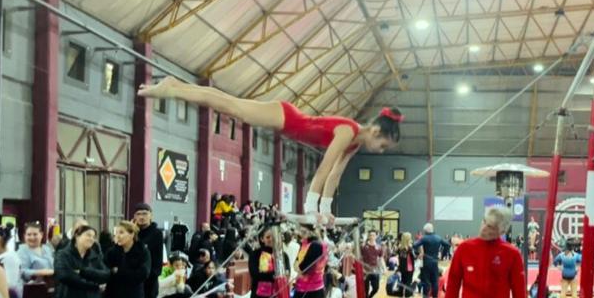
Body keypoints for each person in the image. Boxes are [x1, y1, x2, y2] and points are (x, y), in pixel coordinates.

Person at [138, 77, 403, 223]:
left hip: (289, 123)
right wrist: (311, 207)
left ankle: (174, 86)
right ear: (376, 132)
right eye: (382, 146)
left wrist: (326, 209)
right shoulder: (347, 132)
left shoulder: (354, 142)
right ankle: (173, 88)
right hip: (286, 117)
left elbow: (335, 176)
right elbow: (324, 167)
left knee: (230, 105)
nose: (379, 151)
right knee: (230, 105)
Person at [414, 223, 447, 298]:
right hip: (435, 261)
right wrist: (442, 256)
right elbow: (447, 245)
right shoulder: (438, 238)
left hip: (426, 262)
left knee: (425, 282)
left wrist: (418, 254)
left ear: (425, 231)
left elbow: (415, 245)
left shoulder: (424, 238)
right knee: (435, 281)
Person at [360, 230, 384, 298]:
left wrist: (383, 268)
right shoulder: (364, 247)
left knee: (376, 288)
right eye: (370, 235)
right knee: (366, 289)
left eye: (373, 235)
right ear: (368, 236)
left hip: (375, 270)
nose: (372, 237)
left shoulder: (379, 247)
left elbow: (380, 258)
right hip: (365, 270)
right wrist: (362, 268)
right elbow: (360, 258)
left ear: (376, 236)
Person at [395, 232, 416, 298]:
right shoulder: (406, 248)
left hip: (405, 268)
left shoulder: (401, 247)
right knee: (407, 283)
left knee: (404, 283)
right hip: (407, 268)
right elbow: (407, 257)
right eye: (410, 238)